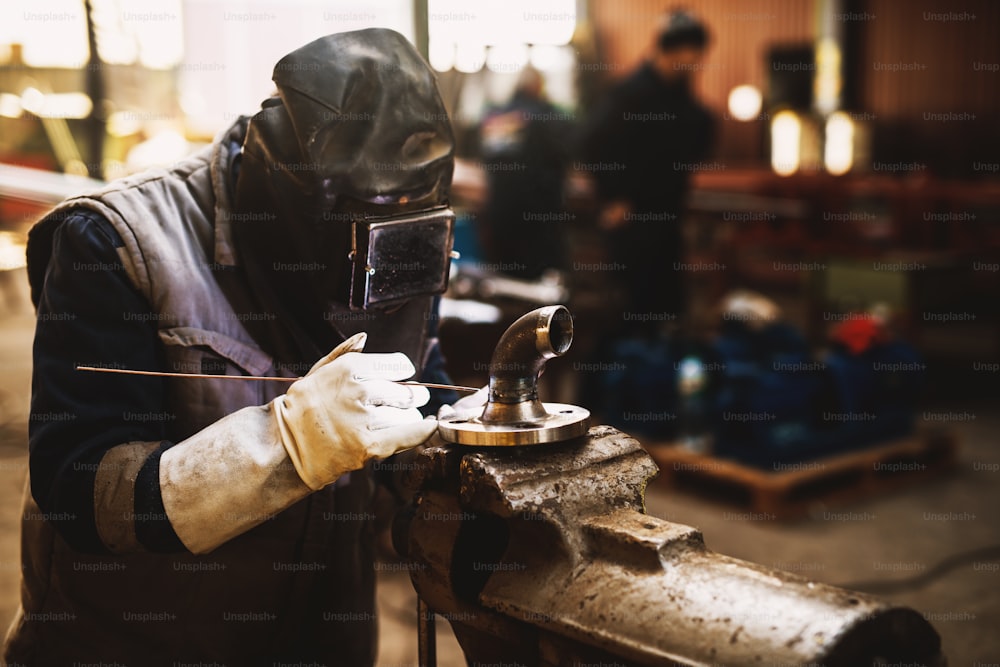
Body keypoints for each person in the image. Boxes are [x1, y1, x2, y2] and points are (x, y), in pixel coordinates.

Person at [5, 28, 459, 666]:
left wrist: (458, 449)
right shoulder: (119, 243)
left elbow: (419, 388)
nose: (372, 280)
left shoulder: (402, 239)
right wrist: (284, 446)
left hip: (324, 639)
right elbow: (78, 488)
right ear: (291, 205)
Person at [579, 8, 715, 331]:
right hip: (631, 223)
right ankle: (622, 376)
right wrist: (614, 197)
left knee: (666, 312)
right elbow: (589, 145)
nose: (698, 62)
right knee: (629, 314)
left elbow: (694, 142)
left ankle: (653, 374)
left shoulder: (682, 98)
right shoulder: (628, 95)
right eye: (695, 54)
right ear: (677, 50)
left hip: (666, 219)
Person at [477, 66, 573, 280]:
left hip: (501, 214)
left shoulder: (495, 118)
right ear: (538, 86)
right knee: (542, 281)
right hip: (539, 217)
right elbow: (571, 148)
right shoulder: (548, 116)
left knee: (508, 280)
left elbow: (487, 159)